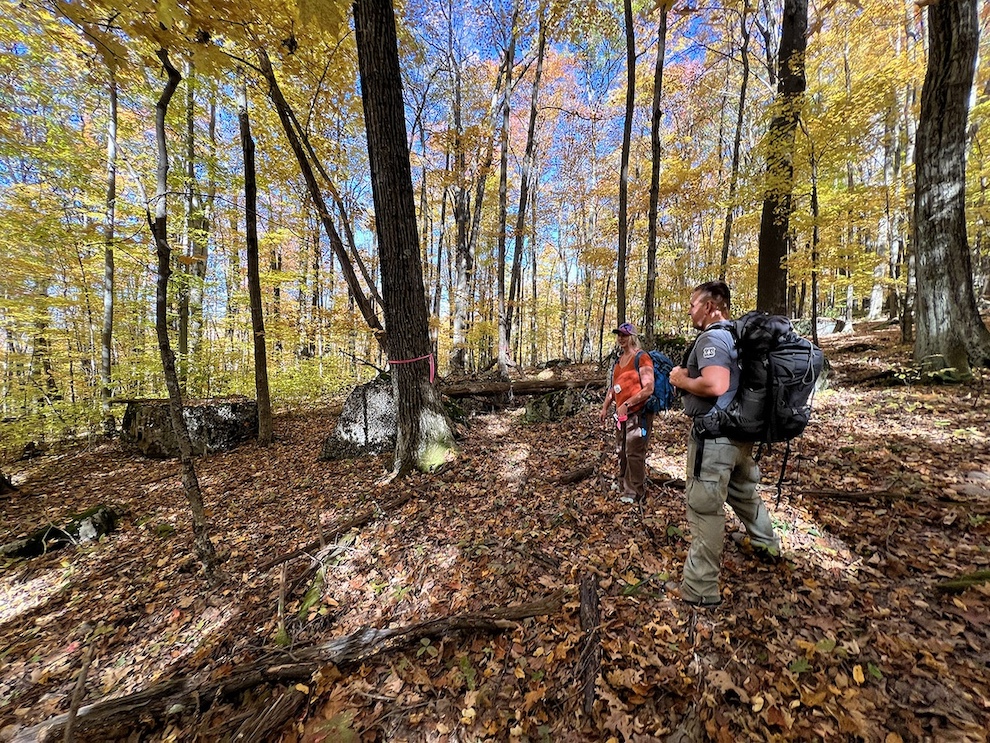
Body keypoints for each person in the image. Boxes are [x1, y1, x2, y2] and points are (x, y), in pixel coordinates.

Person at [667, 281, 780, 607]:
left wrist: (680, 380)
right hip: (742, 435)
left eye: (693, 304)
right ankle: (766, 544)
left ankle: (700, 590)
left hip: (716, 439)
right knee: (743, 493)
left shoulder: (713, 336)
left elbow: (716, 383)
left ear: (711, 306)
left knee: (704, 508)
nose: (689, 310)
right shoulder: (739, 339)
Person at [600, 322, 655, 503]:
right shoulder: (618, 361)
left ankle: (635, 492)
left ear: (632, 336)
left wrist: (628, 404)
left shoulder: (641, 357)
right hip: (621, 415)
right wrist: (606, 406)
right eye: (619, 335)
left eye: (624, 335)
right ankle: (624, 483)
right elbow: (614, 388)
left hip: (638, 414)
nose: (621, 338)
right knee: (621, 450)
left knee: (634, 452)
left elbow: (648, 388)